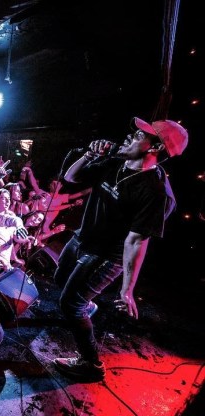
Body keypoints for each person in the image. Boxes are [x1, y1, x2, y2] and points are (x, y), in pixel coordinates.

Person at [51, 117, 188, 382]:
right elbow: (70, 176)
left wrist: (127, 289)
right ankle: (85, 308)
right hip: (83, 238)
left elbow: (135, 241)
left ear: (155, 148)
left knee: (69, 303)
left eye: (139, 136)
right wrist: (90, 155)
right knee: (60, 278)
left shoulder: (156, 193)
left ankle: (91, 364)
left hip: (107, 255)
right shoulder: (115, 159)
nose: (129, 137)